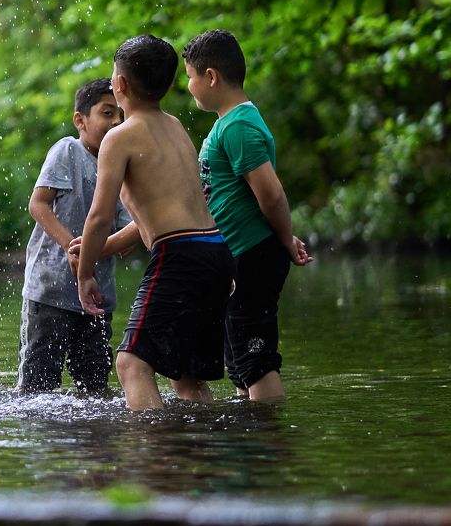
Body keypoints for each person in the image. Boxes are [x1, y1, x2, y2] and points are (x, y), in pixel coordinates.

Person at [75, 35, 235, 411]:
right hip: (214, 251)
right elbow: (168, 214)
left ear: (120, 85)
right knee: (186, 374)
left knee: (131, 363)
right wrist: (108, 245)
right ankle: (197, 455)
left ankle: (154, 456)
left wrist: (85, 273)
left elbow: (98, 216)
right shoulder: (175, 126)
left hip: (178, 256)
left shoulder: (119, 138)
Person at [182, 29, 313, 402]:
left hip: (254, 253)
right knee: (239, 356)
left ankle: (267, 446)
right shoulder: (227, 124)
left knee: (255, 356)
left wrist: (285, 238)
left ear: (211, 77)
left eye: (190, 77)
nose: (189, 86)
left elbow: (270, 193)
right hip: (239, 254)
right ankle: (249, 440)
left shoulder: (238, 125)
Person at [17, 78, 135, 394]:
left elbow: (129, 228)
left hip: (97, 298)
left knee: (95, 386)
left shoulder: (122, 167)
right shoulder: (67, 150)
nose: (116, 122)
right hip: (50, 290)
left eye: (120, 114)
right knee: (37, 388)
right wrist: (73, 246)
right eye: (107, 113)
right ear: (80, 121)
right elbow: (38, 204)